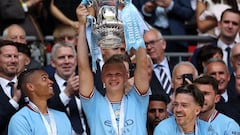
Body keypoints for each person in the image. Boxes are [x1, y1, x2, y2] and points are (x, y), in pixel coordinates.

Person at [76, 4, 150, 134]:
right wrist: (82, 26)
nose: (114, 77)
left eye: (118, 74)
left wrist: (131, 16)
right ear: (102, 77)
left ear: (127, 76)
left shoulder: (138, 100)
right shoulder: (93, 104)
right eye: (109, 74)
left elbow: (143, 64)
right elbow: (83, 67)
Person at [8, 68, 72, 135]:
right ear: (30, 87)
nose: (51, 82)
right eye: (44, 78)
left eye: (49, 78)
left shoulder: (62, 117)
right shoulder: (20, 120)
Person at [47, 42, 88, 135]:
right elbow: (46, 112)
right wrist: (66, 93)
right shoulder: (46, 85)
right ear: (53, 62)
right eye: (61, 58)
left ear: (76, 61)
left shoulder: (88, 82)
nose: (67, 61)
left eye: (70, 57)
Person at [0, 40, 25, 135]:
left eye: (16, 56)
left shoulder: (29, 84)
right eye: (8, 56)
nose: (13, 60)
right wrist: (15, 100)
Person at [204, 58, 238, 122]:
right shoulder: (200, 100)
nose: (218, 78)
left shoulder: (237, 97)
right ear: (205, 78)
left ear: (228, 77)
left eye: (221, 73)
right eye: (213, 74)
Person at [143, 28, 174, 98]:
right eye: (146, 44)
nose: (149, 47)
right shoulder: (143, 73)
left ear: (163, 44)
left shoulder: (176, 67)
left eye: (152, 42)